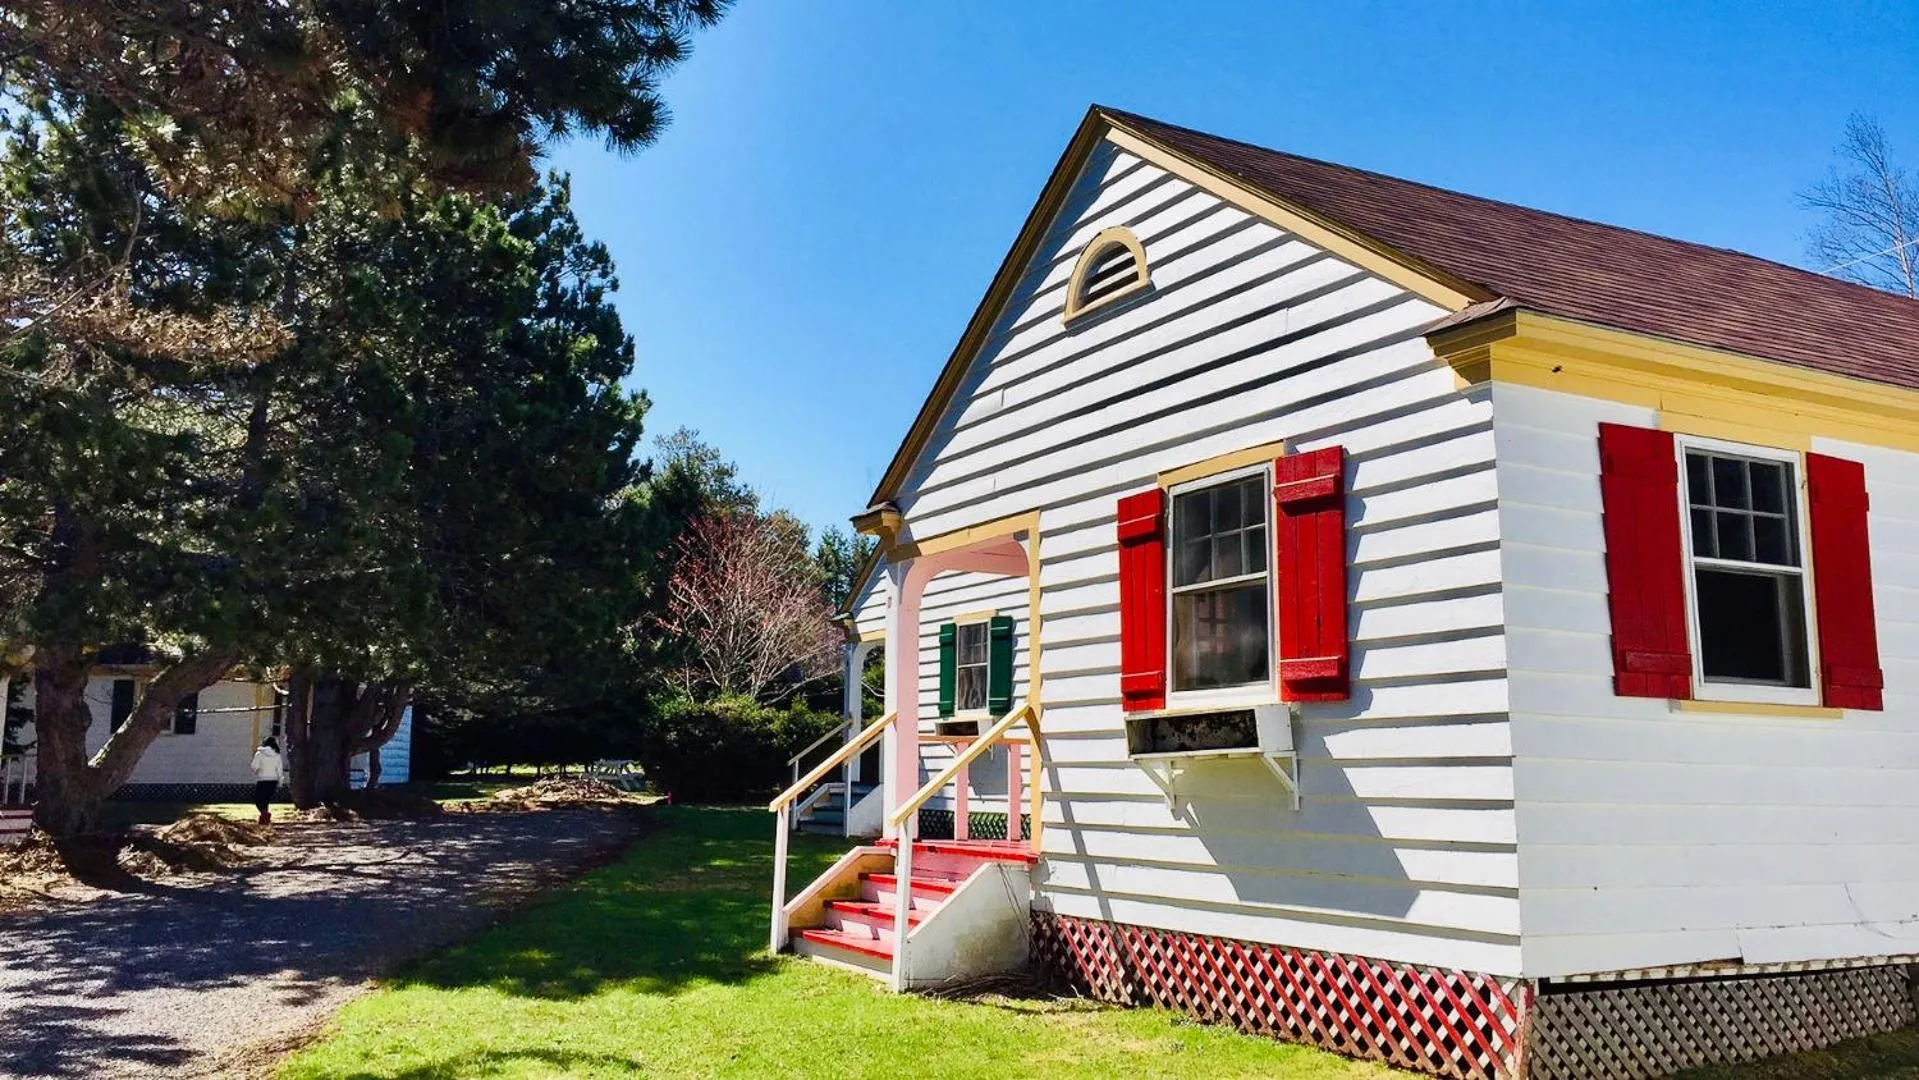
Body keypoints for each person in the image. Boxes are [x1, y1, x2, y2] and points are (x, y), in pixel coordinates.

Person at [250, 737, 284, 825]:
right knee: (266, 800)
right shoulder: (277, 755)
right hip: (273, 781)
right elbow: (279, 770)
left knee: (258, 800)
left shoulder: (259, 754)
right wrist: (280, 781)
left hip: (262, 780)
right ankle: (264, 820)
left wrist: (256, 770)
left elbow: (254, 766)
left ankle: (265, 814)